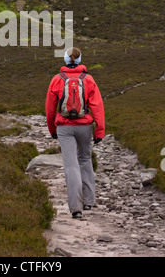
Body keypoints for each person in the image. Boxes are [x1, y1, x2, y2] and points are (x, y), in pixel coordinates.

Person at [45, 47, 105, 219]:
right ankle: (88, 201)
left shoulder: (57, 79)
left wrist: (53, 129)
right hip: (84, 126)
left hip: (64, 127)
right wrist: (99, 131)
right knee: (85, 160)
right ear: (79, 61)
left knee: (71, 165)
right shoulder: (88, 79)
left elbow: (50, 109)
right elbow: (97, 107)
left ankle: (75, 208)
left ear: (65, 60)